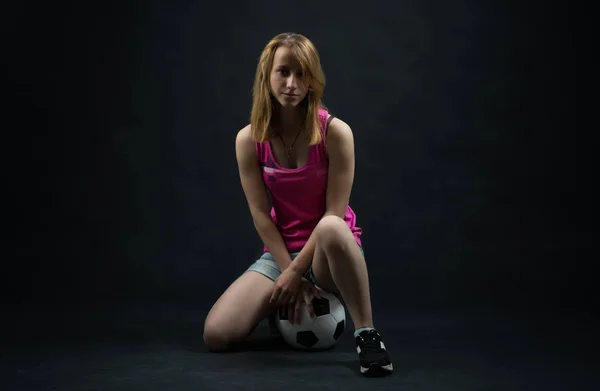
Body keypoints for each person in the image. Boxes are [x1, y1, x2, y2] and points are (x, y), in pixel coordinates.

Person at [203, 32, 393, 377]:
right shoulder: (248, 139)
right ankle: (282, 318)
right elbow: (261, 215)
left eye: (301, 73)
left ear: (312, 80)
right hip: (280, 252)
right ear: (267, 76)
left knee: (333, 226)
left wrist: (295, 273)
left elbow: (333, 214)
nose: (292, 83)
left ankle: (368, 336)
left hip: (329, 254)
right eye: (283, 72)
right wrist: (285, 268)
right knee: (216, 334)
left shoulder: (336, 133)